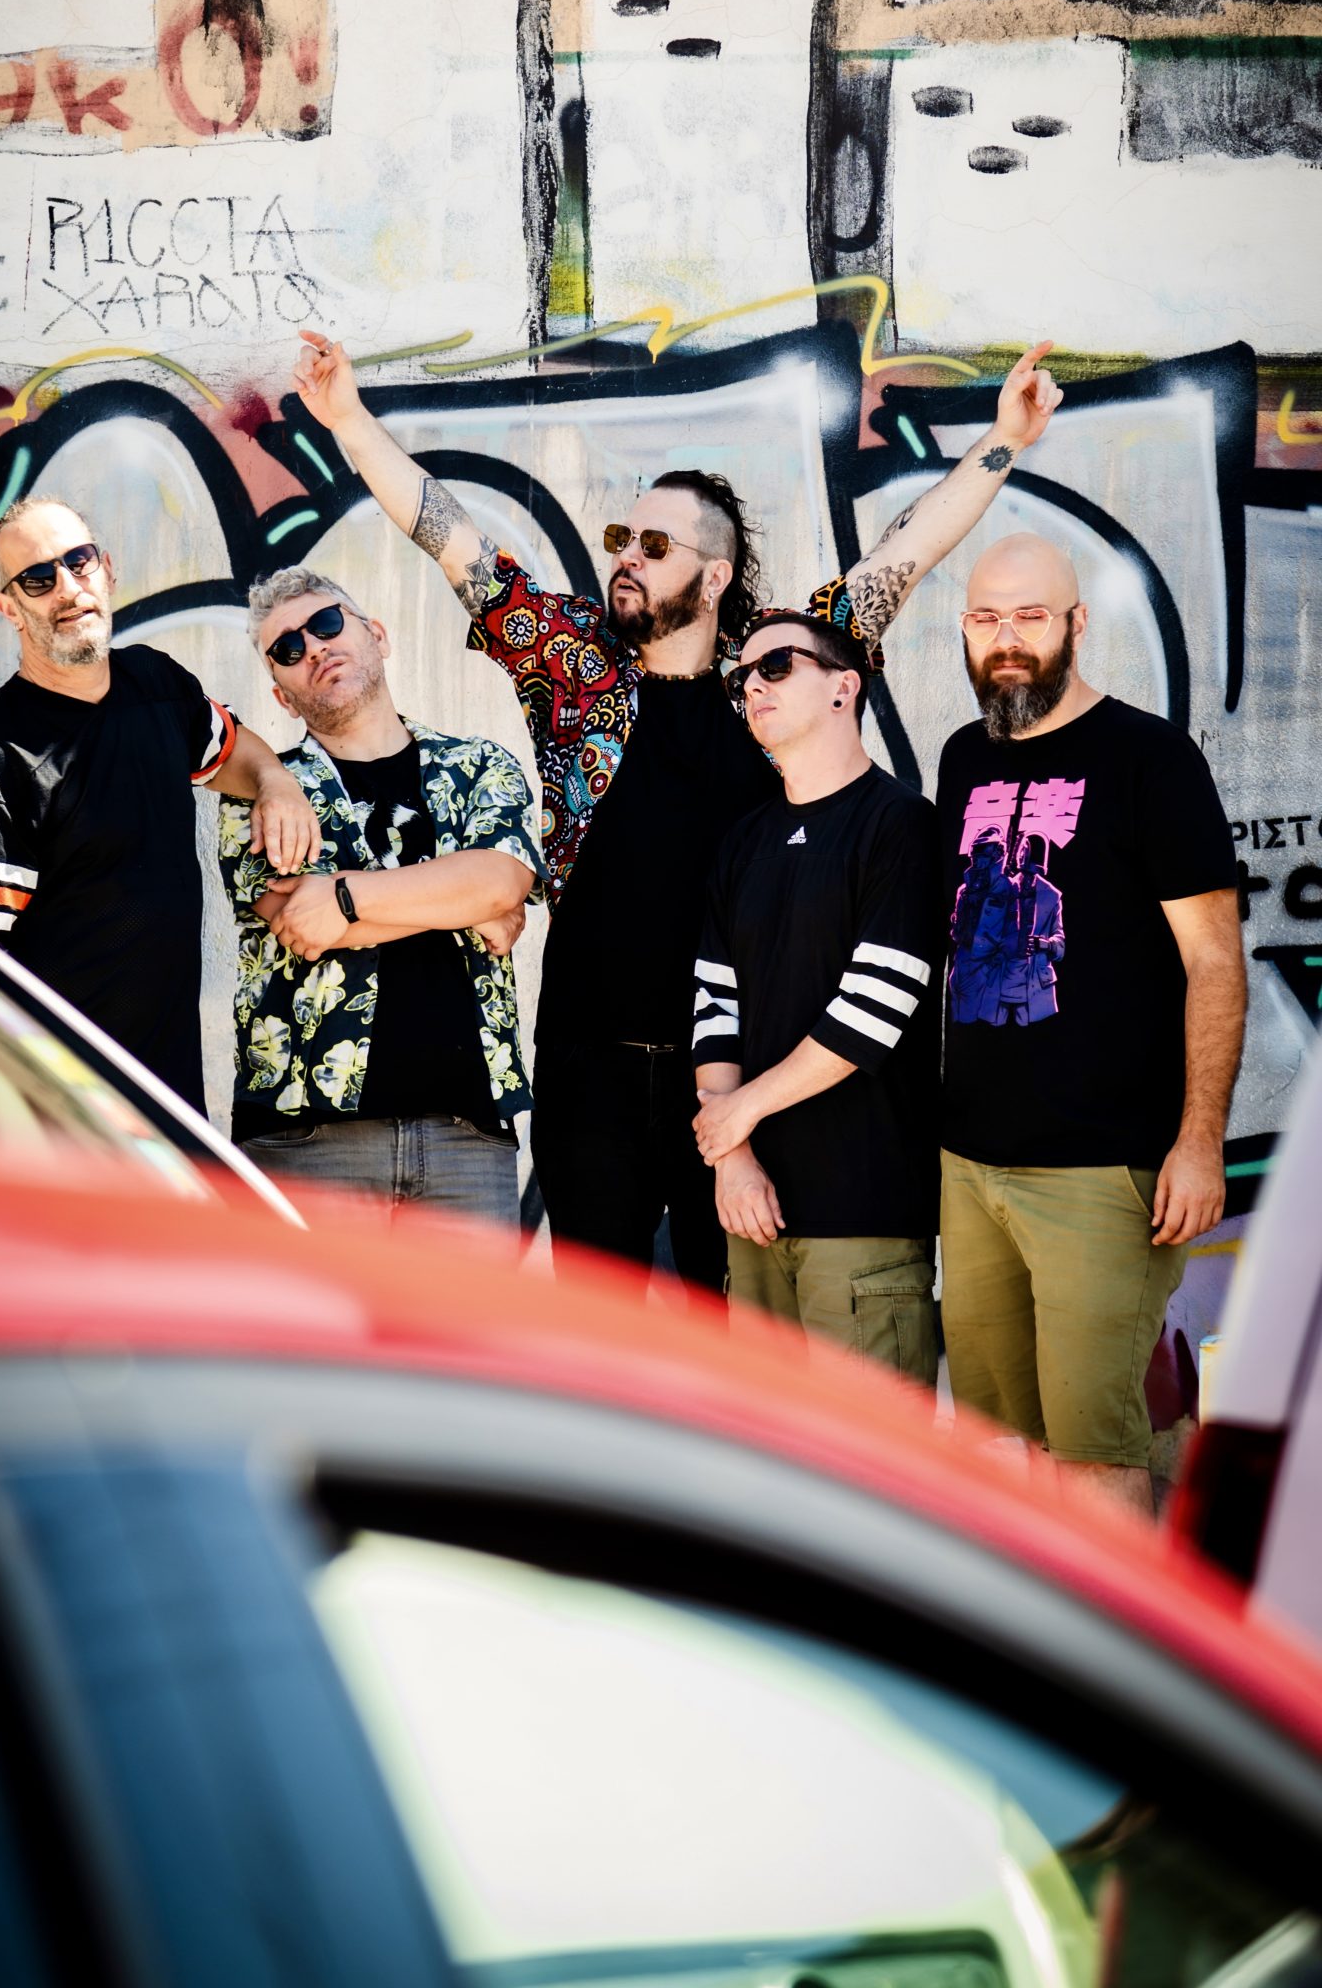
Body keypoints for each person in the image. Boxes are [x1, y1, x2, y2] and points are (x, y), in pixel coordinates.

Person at [289, 330, 1061, 1289]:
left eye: (655, 547)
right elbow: (451, 538)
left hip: (734, 1078)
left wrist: (1004, 439)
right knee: (595, 1336)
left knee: (723, 1324)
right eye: (622, 540)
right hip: (590, 1068)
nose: (628, 558)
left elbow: (901, 556)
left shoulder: (776, 672)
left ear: (716, 574)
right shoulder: (571, 665)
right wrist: (348, 420)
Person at [936, 532, 1246, 1515]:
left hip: (1103, 1173)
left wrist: (1199, 1141)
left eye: (1031, 616)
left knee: (1096, 1453)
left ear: (1077, 623)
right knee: (1003, 1443)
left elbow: (1214, 961)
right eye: (987, 618)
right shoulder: (961, 758)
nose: (1007, 639)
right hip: (970, 1166)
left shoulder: (1152, 759)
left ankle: (1116, 1618)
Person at [0, 493, 319, 1115]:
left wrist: (275, 781)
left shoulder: (156, 685)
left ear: (106, 570)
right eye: (37, 578)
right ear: (9, 608)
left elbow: (232, 752)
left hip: (172, 1108)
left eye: (78, 561)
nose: (67, 587)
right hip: (65, 1122)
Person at [218, 566, 546, 1223]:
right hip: (305, 1138)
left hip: (467, 1136)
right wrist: (459, 902)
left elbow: (502, 881)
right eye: (288, 649)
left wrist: (341, 896)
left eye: (327, 624)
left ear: (378, 635)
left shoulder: (481, 765)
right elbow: (300, 924)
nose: (314, 647)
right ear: (282, 696)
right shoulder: (262, 792)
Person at [692, 611, 940, 1378]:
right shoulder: (742, 842)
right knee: (759, 1449)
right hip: (752, 1214)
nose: (751, 687)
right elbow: (714, 1009)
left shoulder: (902, 826)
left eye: (776, 666)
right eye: (741, 677)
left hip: (861, 1218)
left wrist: (738, 1114)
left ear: (843, 688)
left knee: (868, 1449)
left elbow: (875, 1009)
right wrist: (732, 1157)